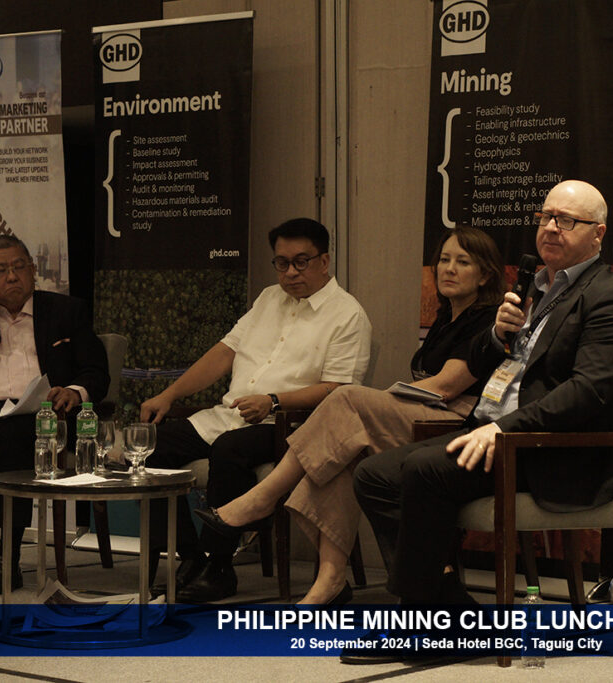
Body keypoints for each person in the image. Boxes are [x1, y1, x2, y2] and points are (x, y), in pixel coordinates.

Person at [352, 180, 613, 613]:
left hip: (545, 449)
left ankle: (421, 615)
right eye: (546, 217)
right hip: (492, 433)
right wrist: (496, 334)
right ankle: (446, 602)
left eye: (566, 221)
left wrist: (503, 429)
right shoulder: (535, 290)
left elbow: (587, 393)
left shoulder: (609, 298)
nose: (551, 228)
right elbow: (485, 365)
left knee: (423, 469)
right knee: (373, 475)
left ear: (597, 234)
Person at [195, 226, 506, 604]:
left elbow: (446, 387)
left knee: (346, 399)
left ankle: (263, 497)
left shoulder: (488, 320)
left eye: (463, 262)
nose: (449, 269)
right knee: (344, 455)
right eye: (444, 260)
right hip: (423, 415)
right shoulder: (446, 317)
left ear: (485, 275)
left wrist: (379, 399)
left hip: (458, 424)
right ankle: (330, 580)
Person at [141, 218, 372, 603]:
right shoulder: (267, 299)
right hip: (229, 417)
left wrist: (274, 400)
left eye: (301, 262)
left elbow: (338, 390)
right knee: (149, 447)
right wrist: (170, 394)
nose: (291, 272)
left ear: (324, 261)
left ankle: (219, 567)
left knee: (229, 449)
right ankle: (192, 556)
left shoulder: (347, 314)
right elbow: (223, 354)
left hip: (292, 425)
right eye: (282, 263)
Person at [0, 235, 109, 595]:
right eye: (1, 270)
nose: (12, 277)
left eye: (19, 267)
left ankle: (8, 557)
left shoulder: (65, 311)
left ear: (32, 270)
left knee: (12, 432)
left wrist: (74, 391)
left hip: (45, 413)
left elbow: (96, 372)